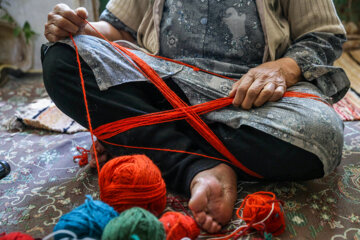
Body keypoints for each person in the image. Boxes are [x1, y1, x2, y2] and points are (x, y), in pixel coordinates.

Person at [42, 0, 349, 233]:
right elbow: (118, 29)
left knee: (321, 134)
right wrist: (77, 28)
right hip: (161, 84)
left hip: (248, 97)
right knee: (61, 57)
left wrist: (282, 68)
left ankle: (148, 141)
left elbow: (323, 36)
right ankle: (198, 167)